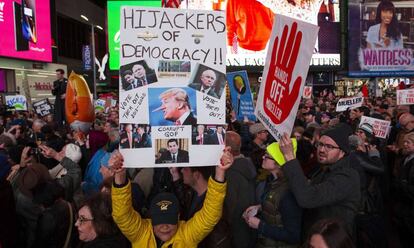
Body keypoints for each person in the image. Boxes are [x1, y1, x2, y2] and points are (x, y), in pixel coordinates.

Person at [110, 148, 233, 247]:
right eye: (159, 220)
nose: (165, 227)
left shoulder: (187, 235)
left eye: (170, 219)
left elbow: (210, 215)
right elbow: (121, 214)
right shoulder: (141, 233)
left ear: (179, 217)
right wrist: (120, 174)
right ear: (151, 219)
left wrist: (220, 172)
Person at [276, 124, 360, 238]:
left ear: (342, 152)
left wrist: (289, 156)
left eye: (329, 146)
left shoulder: (347, 177)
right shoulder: (324, 169)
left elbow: (307, 198)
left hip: (331, 242)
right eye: (320, 144)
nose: (321, 150)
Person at [243, 150, 302, 247]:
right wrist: (260, 207)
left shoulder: (288, 193)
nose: (263, 157)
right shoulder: (273, 181)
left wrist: (260, 225)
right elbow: (277, 206)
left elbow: (293, 235)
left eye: (267, 156)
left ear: (278, 163)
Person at [170, 166, 232, 248]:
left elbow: (218, 240)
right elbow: (182, 200)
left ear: (196, 175)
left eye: (185, 169)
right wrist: (175, 174)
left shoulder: (215, 205)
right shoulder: (192, 193)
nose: (181, 170)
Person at [223, 131, 257, 248]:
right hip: (248, 229)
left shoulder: (230, 173)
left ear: (225, 148)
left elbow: (229, 207)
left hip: (235, 234)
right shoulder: (248, 165)